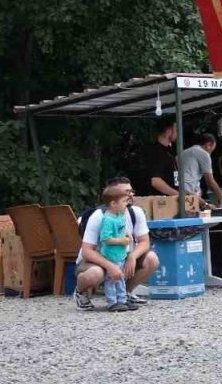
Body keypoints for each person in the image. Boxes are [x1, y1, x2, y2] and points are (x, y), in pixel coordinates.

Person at [74, 177, 159, 311]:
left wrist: (133, 256)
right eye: (126, 192)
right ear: (114, 200)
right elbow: (87, 251)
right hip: (98, 259)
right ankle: (80, 292)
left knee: (152, 259)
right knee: (95, 273)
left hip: (121, 256)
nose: (130, 195)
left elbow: (144, 242)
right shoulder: (99, 216)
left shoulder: (135, 212)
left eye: (131, 191)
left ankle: (125, 294)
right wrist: (110, 266)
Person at [97, 183, 134, 312]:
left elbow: (123, 231)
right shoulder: (107, 219)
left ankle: (122, 300)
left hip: (120, 254)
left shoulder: (120, 215)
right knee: (112, 278)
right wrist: (121, 241)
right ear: (113, 204)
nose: (126, 204)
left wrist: (127, 236)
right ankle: (112, 302)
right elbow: (105, 238)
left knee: (121, 277)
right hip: (111, 255)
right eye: (124, 201)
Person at [131, 117, 178, 197]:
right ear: (168, 131)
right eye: (176, 130)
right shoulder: (155, 152)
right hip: (159, 202)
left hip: (170, 199)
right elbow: (156, 181)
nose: (178, 133)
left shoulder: (168, 152)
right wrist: (179, 195)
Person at [179, 132, 222, 207]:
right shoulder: (204, 154)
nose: (210, 153)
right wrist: (220, 196)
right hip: (189, 190)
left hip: (177, 189)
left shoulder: (183, 152)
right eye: (212, 150)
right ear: (208, 145)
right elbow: (210, 181)